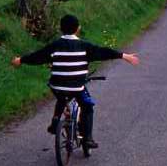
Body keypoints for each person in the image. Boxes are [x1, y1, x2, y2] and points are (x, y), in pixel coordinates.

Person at [11, 14, 139, 148]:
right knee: (87, 107)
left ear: (60, 28)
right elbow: (102, 51)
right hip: (77, 87)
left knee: (62, 97)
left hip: (57, 86)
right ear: (78, 28)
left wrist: (21, 60)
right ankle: (87, 139)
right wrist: (123, 56)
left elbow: (38, 56)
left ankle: (55, 121)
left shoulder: (54, 46)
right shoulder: (84, 46)